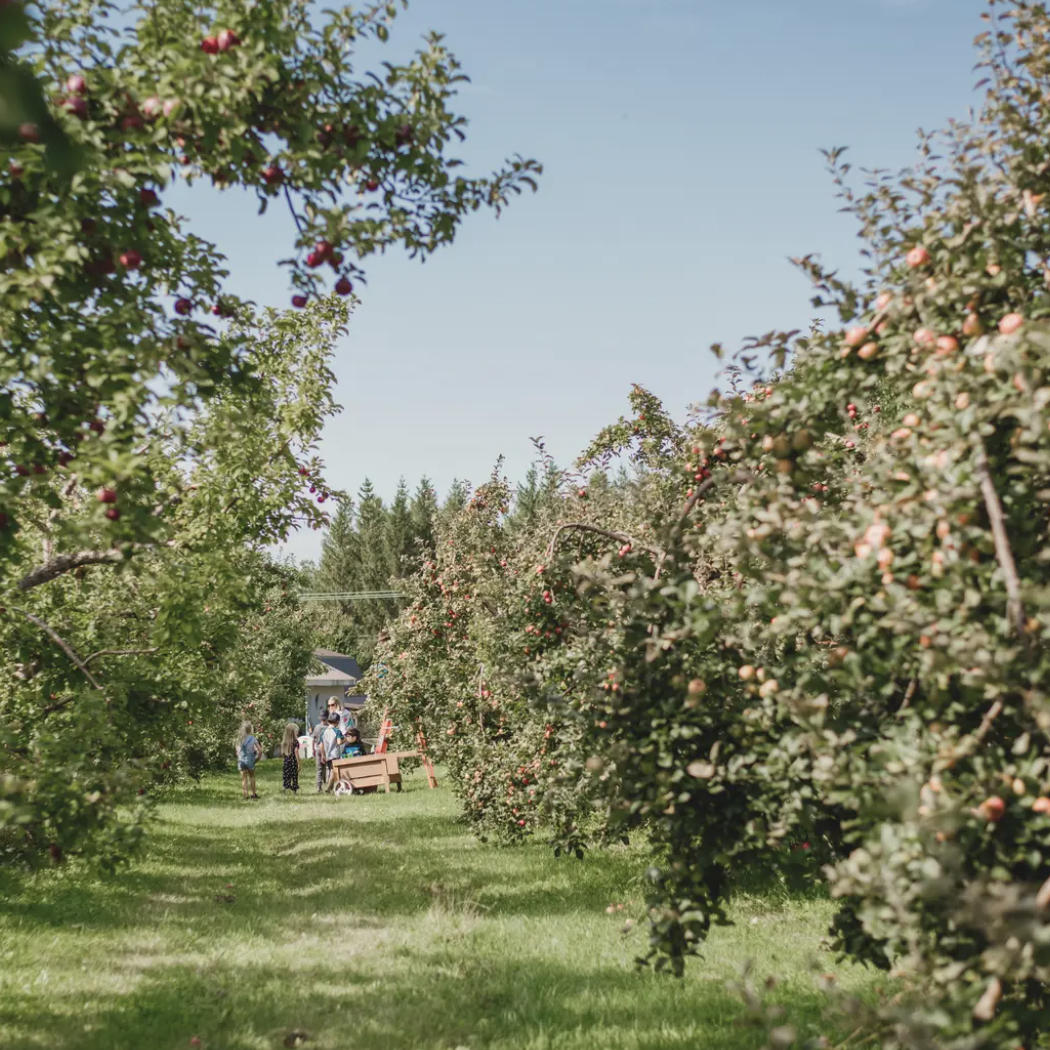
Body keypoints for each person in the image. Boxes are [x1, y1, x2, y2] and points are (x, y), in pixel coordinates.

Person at [235, 721, 263, 800]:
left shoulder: (239, 739)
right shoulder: (252, 738)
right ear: (250, 729)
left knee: (244, 779)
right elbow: (260, 751)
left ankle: (245, 795)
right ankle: (254, 794)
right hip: (250, 761)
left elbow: (237, 752)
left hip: (241, 761)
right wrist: (257, 758)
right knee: (252, 777)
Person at [320, 712, 343, 793]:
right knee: (334, 772)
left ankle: (334, 788)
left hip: (328, 755)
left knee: (330, 771)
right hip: (335, 755)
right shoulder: (337, 731)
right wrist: (345, 740)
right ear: (337, 721)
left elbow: (321, 745)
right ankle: (328, 788)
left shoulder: (324, 732)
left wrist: (323, 755)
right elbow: (339, 742)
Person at [280, 722, 301, 794]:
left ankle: (286, 788)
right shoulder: (295, 742)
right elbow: (296, 752)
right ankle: (294, 789)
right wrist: (299, 763)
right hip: (293, 762)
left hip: (286, 762)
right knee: (294, 776)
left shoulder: (284, 742)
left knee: (286, 776)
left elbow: (282, 753)